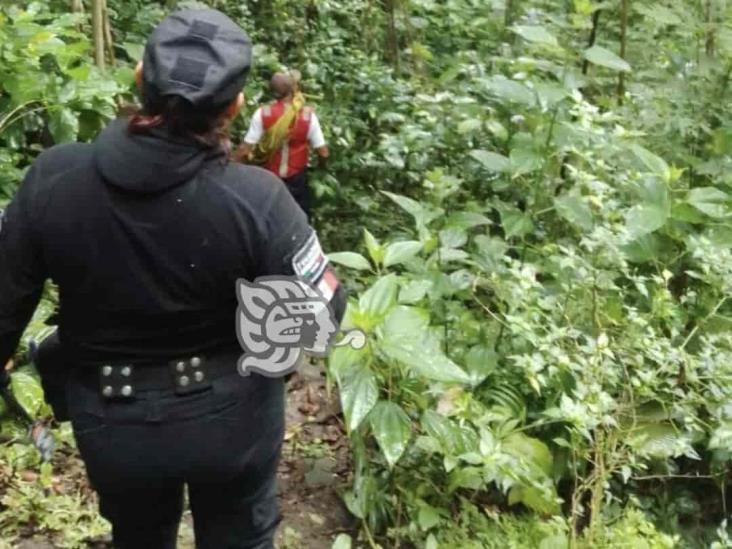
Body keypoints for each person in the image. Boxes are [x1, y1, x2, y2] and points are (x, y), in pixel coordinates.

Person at [0, 8, 345, 549]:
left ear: (139, 77)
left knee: (137, 536)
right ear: (234, 107)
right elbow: (320, 319)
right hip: (234, 420)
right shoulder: (257, 200)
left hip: (114, 422)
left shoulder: (54, 178)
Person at [235, 71, 329, 218]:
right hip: (297, 178)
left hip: (270, 178)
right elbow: (323, 152)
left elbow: (244, 150)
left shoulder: (263, 113)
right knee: (299, 217)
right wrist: (321, 167)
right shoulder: (307, 115)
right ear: (293, 90)